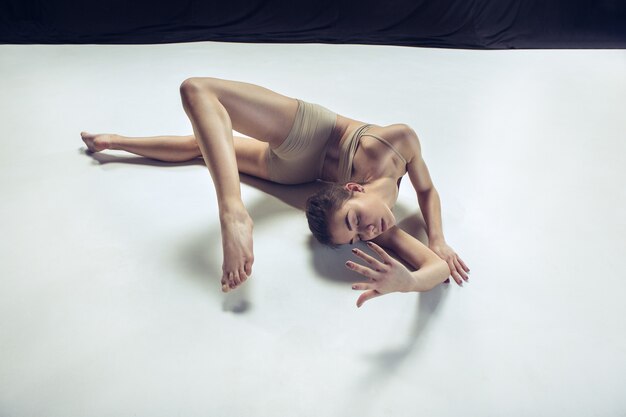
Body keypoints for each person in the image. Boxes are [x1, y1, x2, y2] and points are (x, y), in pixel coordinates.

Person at [81, 77, 470, 307]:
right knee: (196, 90)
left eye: (355, 237)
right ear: (351, 189)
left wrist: (409, 281)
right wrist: (437, 237)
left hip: (295, 173)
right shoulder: (397, 141)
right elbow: (428, 190)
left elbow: (433, 271)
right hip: (319, 134)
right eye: (355, 223)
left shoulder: (374, 224)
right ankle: (233, 212)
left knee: (202, 146)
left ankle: (113, 140)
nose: (367, 234)